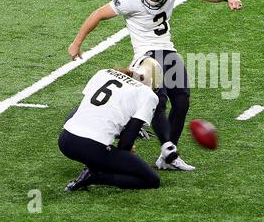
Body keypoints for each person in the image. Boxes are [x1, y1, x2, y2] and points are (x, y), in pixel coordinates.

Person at [68, 0, 243, 171]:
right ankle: (151, 139)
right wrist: (77, 42)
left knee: (182, 99)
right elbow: (98, 14)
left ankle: (168, 156)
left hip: (167, 48)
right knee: (157, 99)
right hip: (144, 54)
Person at [58, 56, 180, 191]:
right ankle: (94, 176)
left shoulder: (104, 73)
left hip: (65, 140)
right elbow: (125, 143)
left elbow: (76, 112)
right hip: (92, 147)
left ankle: (94, 165)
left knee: (97, 138)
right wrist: (125, 156)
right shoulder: (147, 95)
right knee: (152, 179)